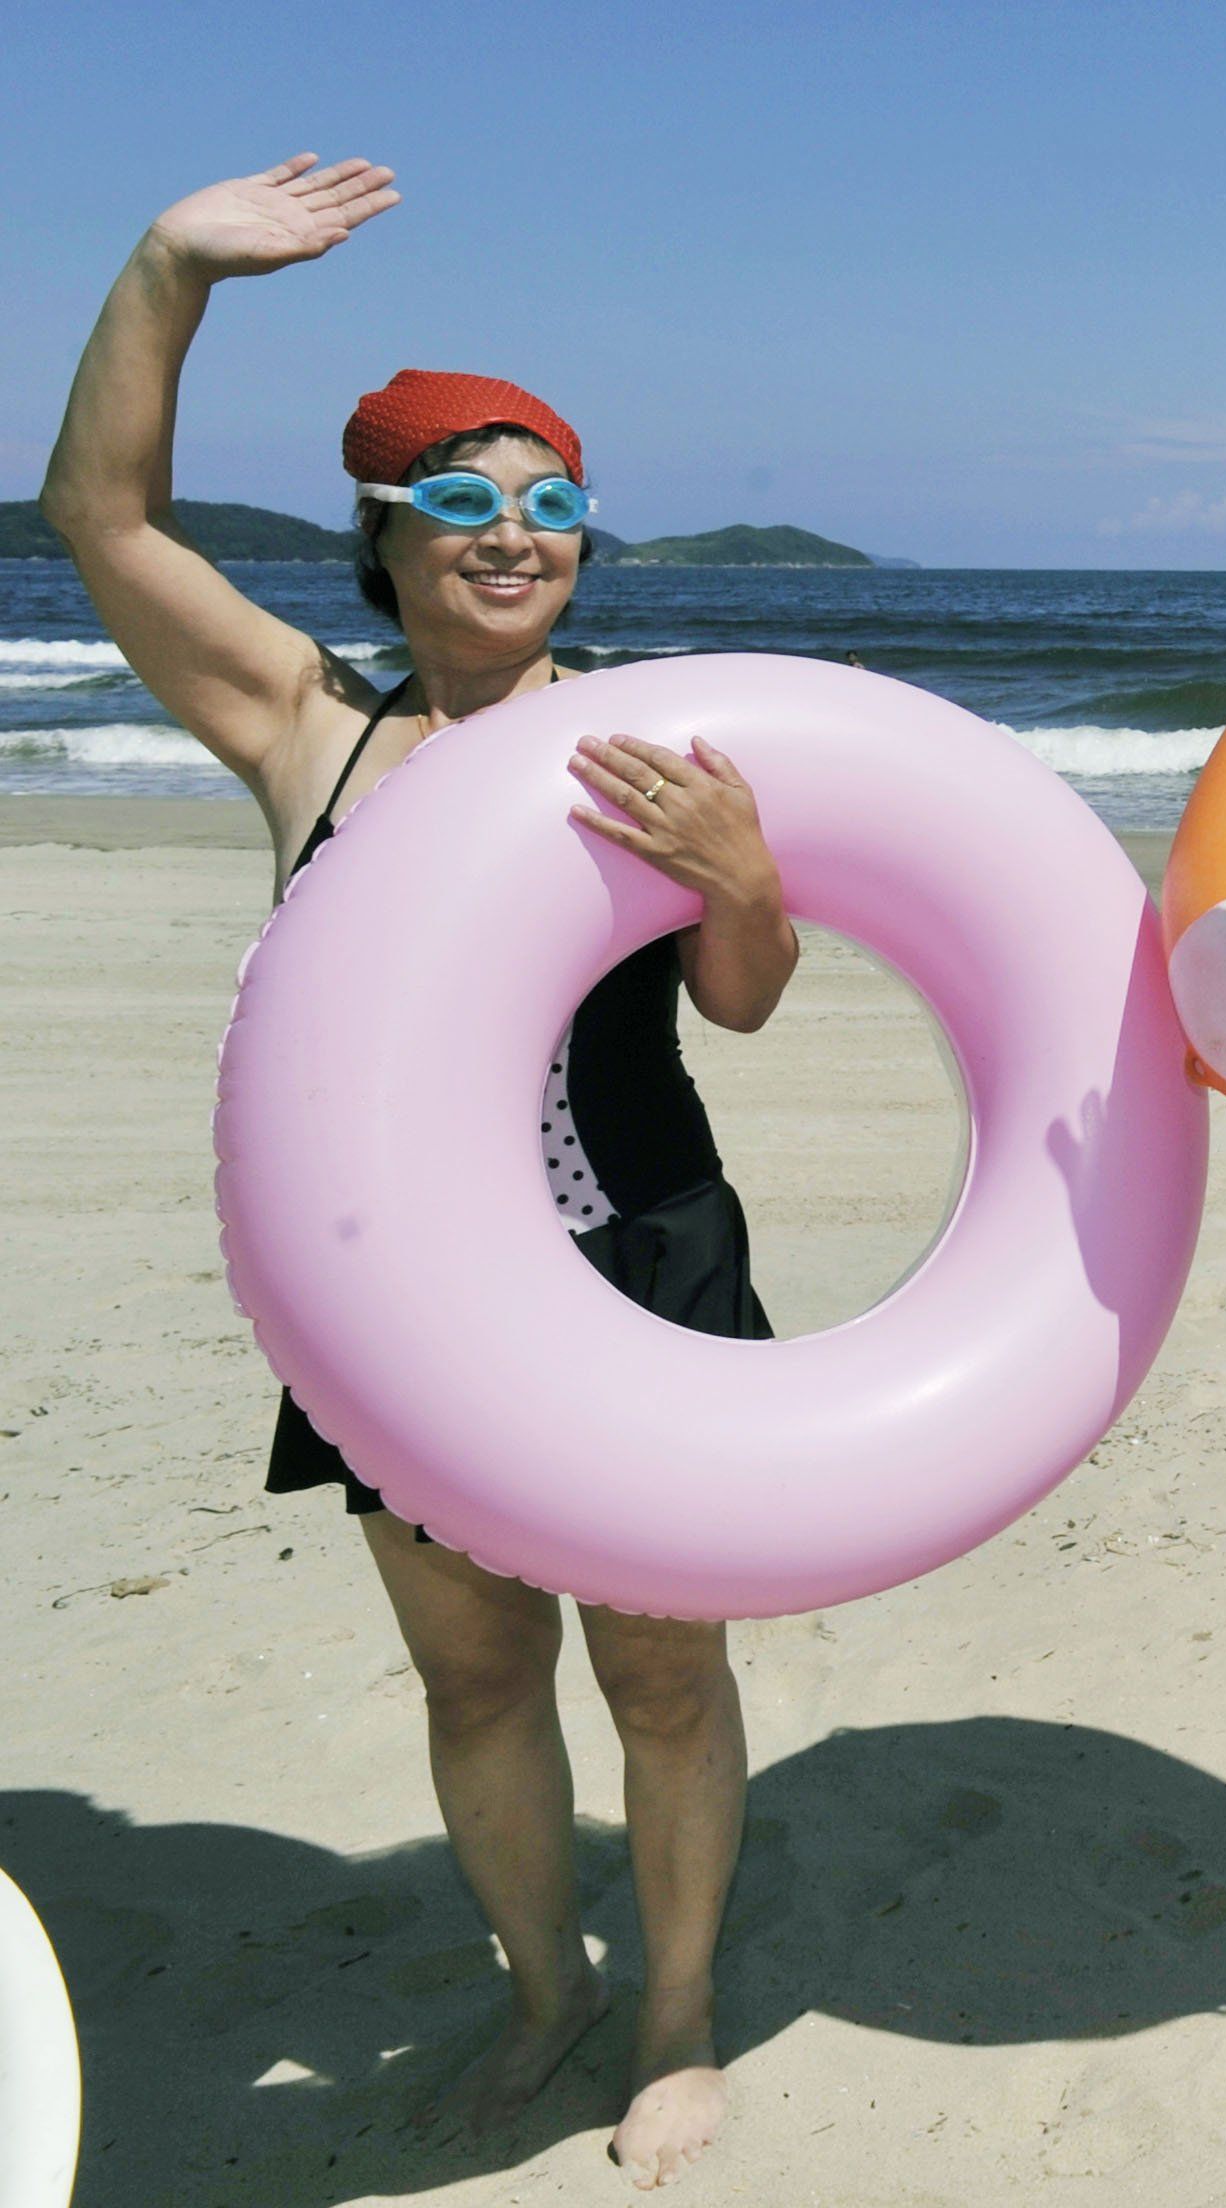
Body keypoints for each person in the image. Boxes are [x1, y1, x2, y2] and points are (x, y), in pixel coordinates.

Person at [40, 156, 799, 2189]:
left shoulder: (652, 744)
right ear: (386, 541)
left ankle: (674, 2012)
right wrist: (171, 268)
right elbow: (95, 518)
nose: (516, 537)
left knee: (660, 1664)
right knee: (476, 1670)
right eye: (464, 503)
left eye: (551, 502)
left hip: (635, 1253)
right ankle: (544, 1984)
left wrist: (740, 888)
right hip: (393, 1291)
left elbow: (737, 1007)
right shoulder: (312, 734)